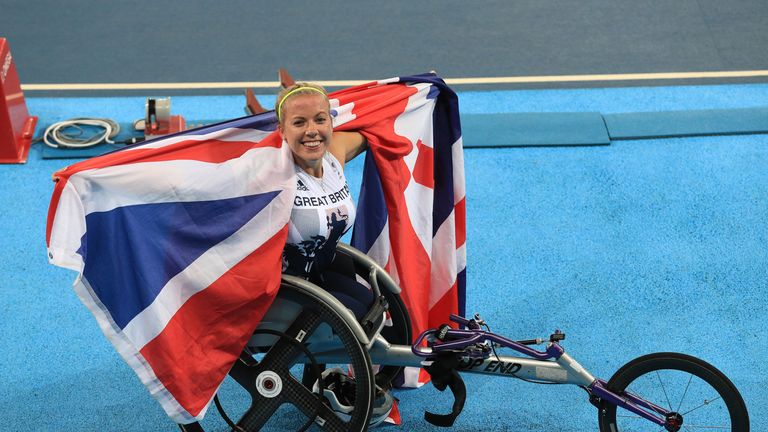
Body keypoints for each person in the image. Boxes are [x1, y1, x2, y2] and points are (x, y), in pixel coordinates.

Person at [276, 82, 372, 318]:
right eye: (299, 122)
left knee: (374, 305)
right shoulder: (274, 175)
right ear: (281, 131)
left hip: (321, 273)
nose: (312, 130)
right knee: (358, 314)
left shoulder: (334, 155)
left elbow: (378, 130)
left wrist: (418, 99)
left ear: (331, 123)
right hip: (285, 289)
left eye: (320, 120)